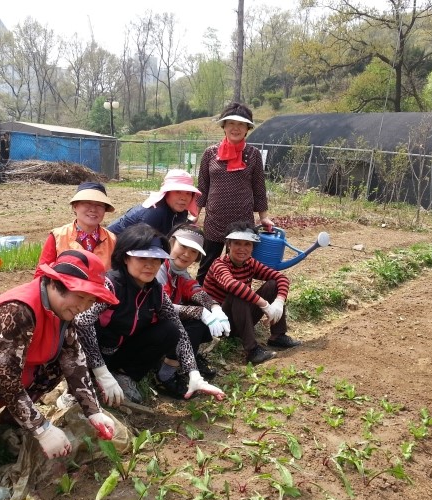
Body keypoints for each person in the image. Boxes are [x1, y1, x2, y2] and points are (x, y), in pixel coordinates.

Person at [0, 250, 120, 500]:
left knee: (57, 364)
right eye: (80, 296)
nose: (83, 307)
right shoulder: (18, 311)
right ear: (54, 284)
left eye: (90, 301)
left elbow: (74, 359)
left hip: (4, 385)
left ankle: (9, 423)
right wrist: (42, 429)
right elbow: (5, 380)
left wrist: (93, 411)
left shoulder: (62, 311)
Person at [75, 223, 225, 405]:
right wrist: (101, 372)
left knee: (170, 329)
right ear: (125, 258)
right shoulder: (110, 286)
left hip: (121, 352)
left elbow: (179, 330)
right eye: (141, 259)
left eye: (156, 260)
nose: (150, 265)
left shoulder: (155, 291)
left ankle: (125, 376)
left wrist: (194, 373)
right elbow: (81, 324)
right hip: (91, 354)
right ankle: (82, 385)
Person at [194, 102, 274, 284]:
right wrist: (195, 215)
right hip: (215, 220)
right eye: (231, 123)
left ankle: (236, 306)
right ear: (224, 127)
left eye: (241, 124)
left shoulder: (253, 155)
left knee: (240, 267)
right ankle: (199, 306)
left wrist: (263, 217)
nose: (235, 128)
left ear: (247, 129)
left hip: (242, 222)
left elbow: (259, 188)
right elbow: (203, 187)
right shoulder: (210, 154)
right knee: (207, 266)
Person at [202, 221, 301, 365]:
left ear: (253, 246)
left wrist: (279, 301)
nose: (242, 249)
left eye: (247, 244)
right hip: (219, 324)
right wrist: (265, 305)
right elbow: (232, 285)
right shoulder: (219, 264)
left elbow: (281, 278)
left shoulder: (250, 263)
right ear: (228, 244)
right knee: (238, 293)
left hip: (241, 318)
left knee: (273, 284)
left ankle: (278, 336)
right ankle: (252, 351)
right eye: (237, 243)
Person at [156, 223, 230, 379]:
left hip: (161, 324)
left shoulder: (180, 272)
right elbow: (161, 305)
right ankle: (166, 374)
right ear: (171, 242)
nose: (187, 254)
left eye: (193, 251)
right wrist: (201, 312)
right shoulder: (158, 268)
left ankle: (189, 356)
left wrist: (215, 308)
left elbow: (195, 289)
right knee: (196, 321)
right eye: (183, 246)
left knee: (201, 313)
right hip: (148, 325)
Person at [35, 181, 117, 271]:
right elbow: (42, 272)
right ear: (75, 206)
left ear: (105, 209)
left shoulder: (112, 240)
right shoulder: (58, 236)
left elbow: (117, 275)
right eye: (87, 203)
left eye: (99, 205)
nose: (93, 209)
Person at [107, 169, 200, 236]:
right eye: (178, 191)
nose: (184, 198)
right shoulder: (154, 213)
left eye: (188, 193)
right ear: (166, 193)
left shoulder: (181, 211)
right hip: (111, 248)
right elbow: (140, 249)